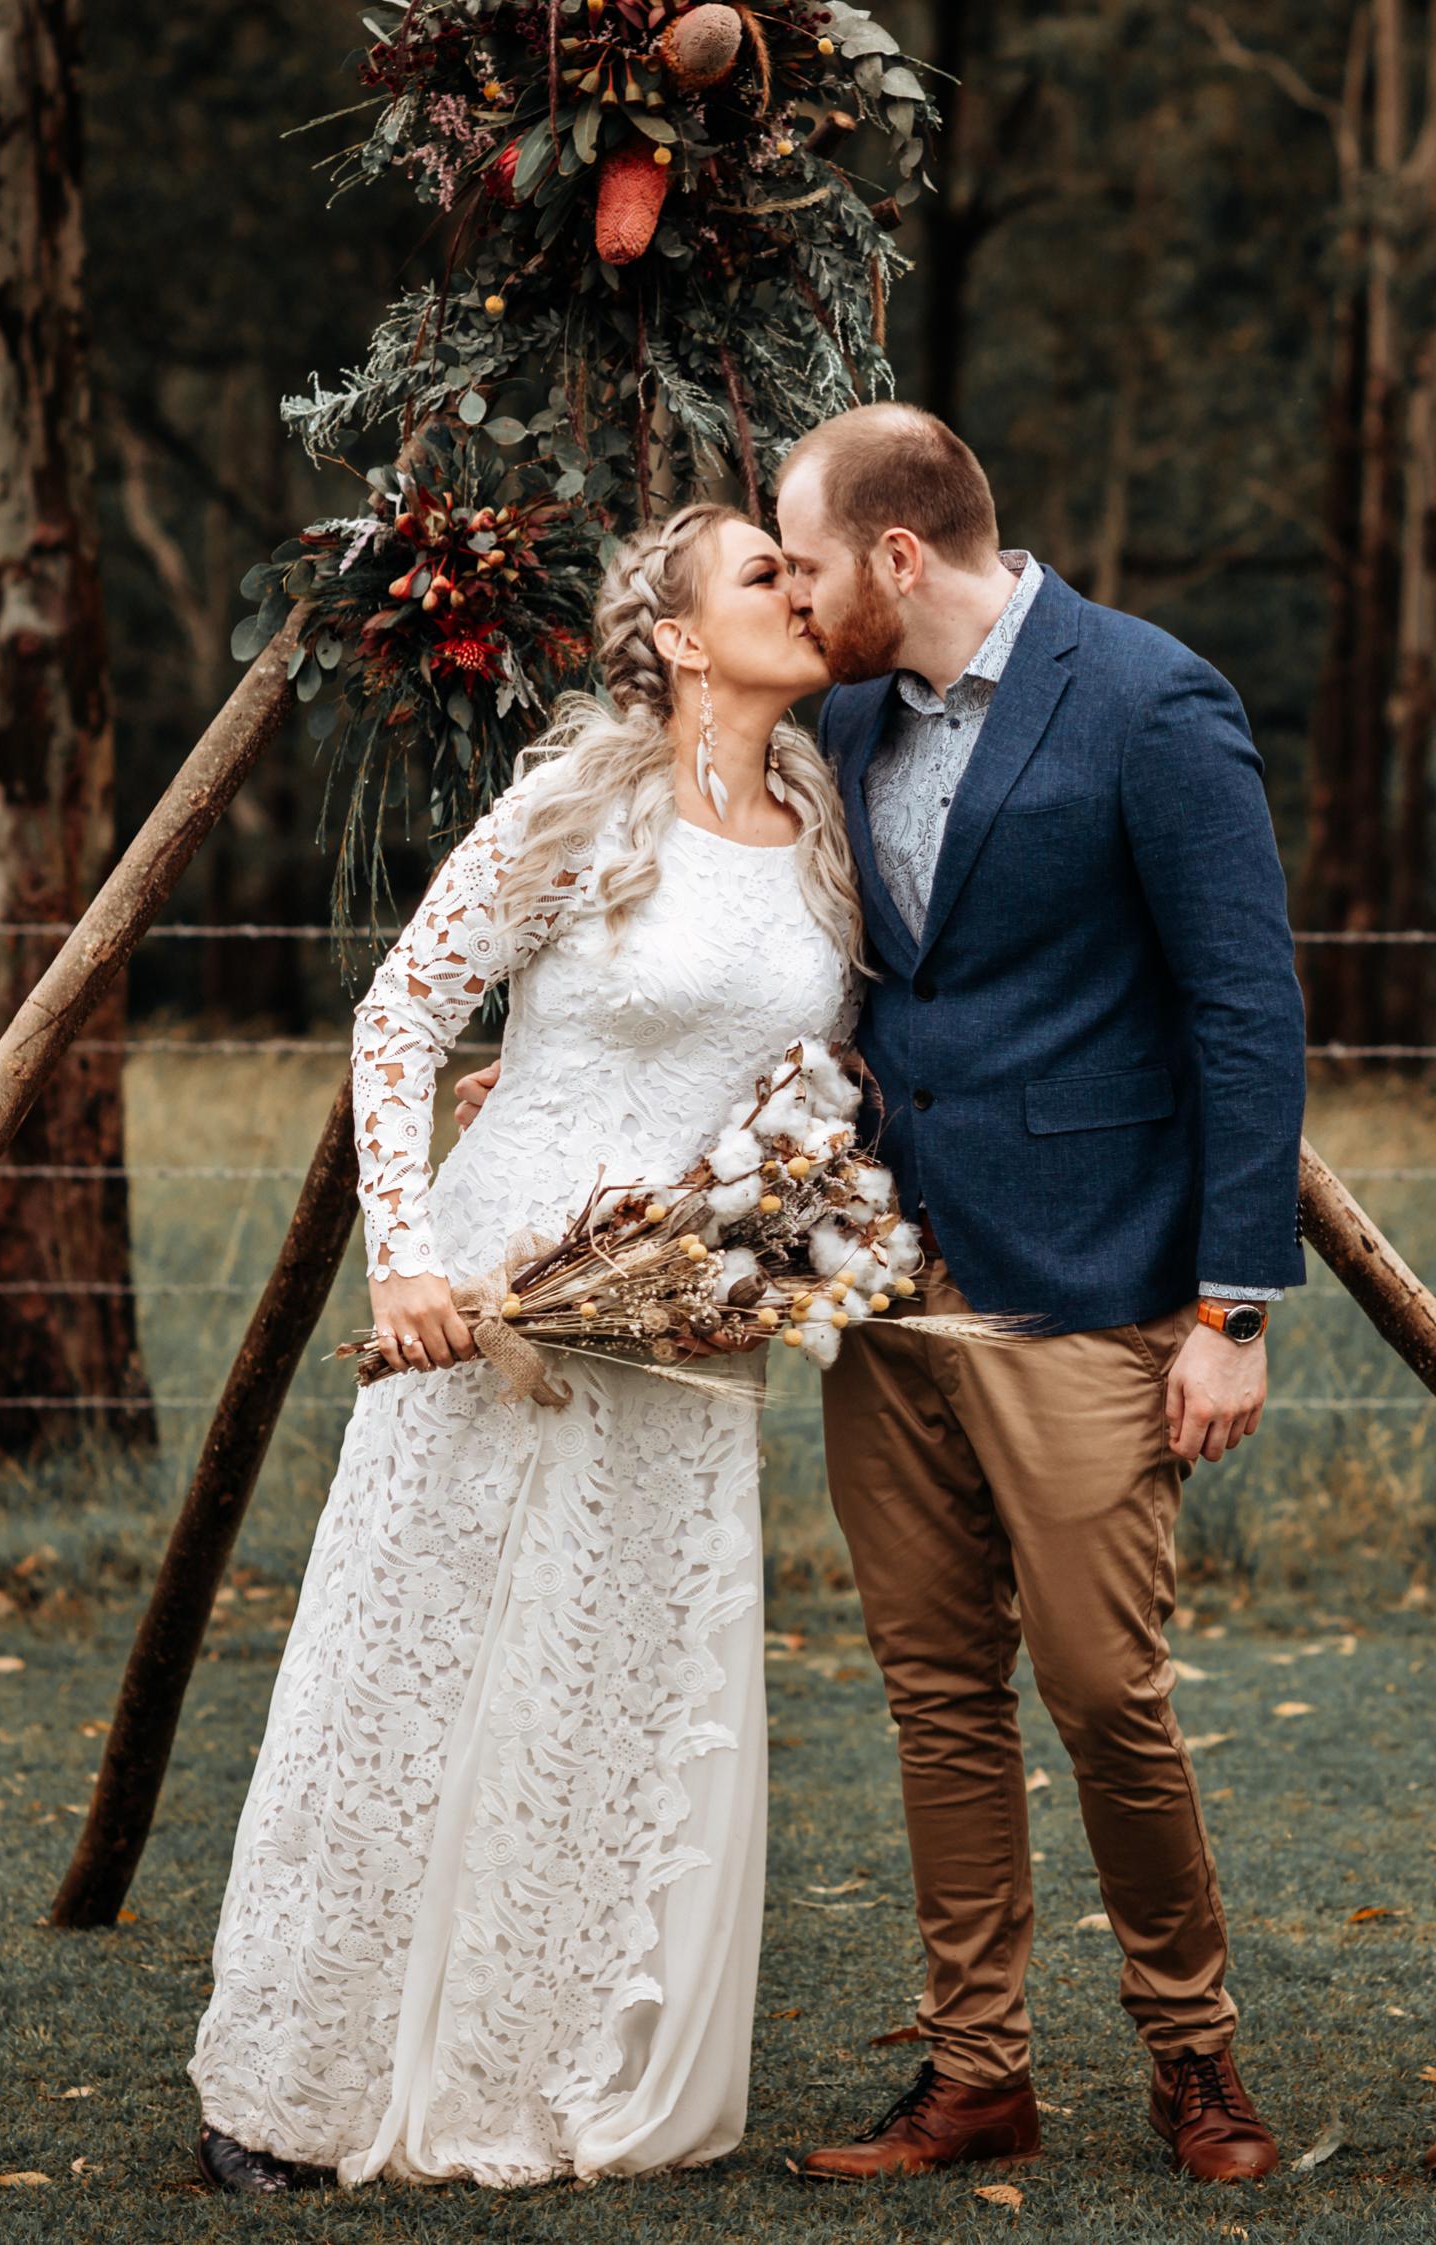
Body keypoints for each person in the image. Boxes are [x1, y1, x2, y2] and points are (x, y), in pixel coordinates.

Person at [457, 403, 1305, 2184]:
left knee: (1105, 1690)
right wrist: (550, 1073)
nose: (796, 582)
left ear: (899, 558)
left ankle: (1196, 2059)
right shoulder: (838, 721)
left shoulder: (1152, 703)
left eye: (809, 554)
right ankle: (977, 2071)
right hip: (881, 1296)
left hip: (1088, 1297)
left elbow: (1247, 1015)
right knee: (938, 1697)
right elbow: (771, 972)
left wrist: (1232, 1313)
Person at [189, 502, 860, 2190]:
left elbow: (812, 1088)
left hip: (684, 1330)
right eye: (764, 573)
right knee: (409, 1674)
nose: (801, 586)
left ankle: (559, 2070)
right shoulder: (586, 801)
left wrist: (774, 1239)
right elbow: (404, 1012)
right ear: (686, 638)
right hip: (495, 1303)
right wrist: (405, 1261)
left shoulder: (826, 827)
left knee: (612, 1691)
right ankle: (289, 2091)